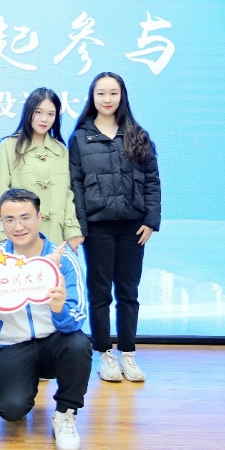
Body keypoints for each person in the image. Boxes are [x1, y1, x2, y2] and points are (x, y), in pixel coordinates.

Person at [0, 188, 91, 450]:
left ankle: (65, 413)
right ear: (1, 222)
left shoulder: (63, 259)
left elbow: (76, 318)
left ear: (39, 218)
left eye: (25, 217)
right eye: (10, 220)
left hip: (56, 341)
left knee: (78, 344)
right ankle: (25, 383)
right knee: (11, 410)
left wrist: (58, 308)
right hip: (13, 344)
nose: (18, 227)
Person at [68, 71, 161, 383]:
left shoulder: (137, 134)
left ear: (122, 97)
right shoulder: (80, 138)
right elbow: (75, 186)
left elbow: (152, 181)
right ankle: (104, 355)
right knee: (100, 293)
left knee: (128, 292)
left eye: (113, 93)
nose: (107, 99)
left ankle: (128, 354)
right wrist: (80, 227)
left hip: (134, 227)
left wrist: (150, 221)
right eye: (101, 93)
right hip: (98, 228)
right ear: (92, 97)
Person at [0, 87, 83, 254]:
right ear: (28, 112)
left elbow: (68, 194)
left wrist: (72, 231)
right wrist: (4, 236)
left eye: (51, 114)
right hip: (19, 237)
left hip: (53, 238)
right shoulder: (8, 147)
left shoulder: (61, 151)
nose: (44, 119)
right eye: (38, 112)